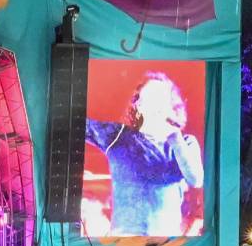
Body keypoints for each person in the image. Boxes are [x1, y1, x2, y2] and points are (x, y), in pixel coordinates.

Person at [85, 72, 205, 236]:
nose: (156, 104)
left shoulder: (184, 142)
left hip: (165, 242)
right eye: (150, 97)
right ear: (138, 105)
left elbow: (196, 179)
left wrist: (175, 138)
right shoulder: (117, 135)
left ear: (171, 107)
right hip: (124, 241)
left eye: (161, 98)